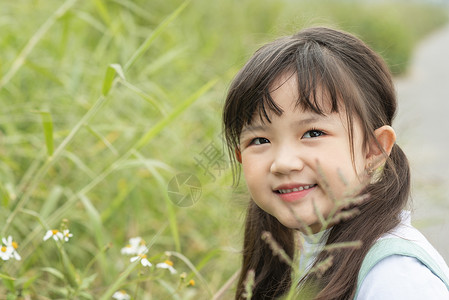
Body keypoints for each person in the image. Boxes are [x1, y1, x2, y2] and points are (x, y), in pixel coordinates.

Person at [222, 27, 449, 299]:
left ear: (374, 149)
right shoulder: (302, 253)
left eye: (313, 133)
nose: (282, 163)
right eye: (259, 140)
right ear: (240, 156)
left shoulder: (395, 278)